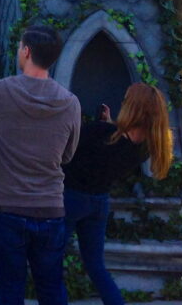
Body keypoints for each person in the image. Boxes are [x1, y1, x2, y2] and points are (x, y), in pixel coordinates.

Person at [0, 27, 81, 305]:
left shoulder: (2, 92)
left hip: (9, 207)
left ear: (27, 52)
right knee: (52, 287)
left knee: (11, 289)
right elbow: (68, 155)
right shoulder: (70, 103)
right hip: (51, 208)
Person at [62, 82, 173, 305]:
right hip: (98, 202)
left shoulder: (99, 132)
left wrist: (103, 125)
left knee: (51, 263)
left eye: (125, 100)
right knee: (96, 266)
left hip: (70, 199)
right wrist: (110, 124)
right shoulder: (144, 147)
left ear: (132, 107)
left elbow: (66, 149)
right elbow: (119, 141)